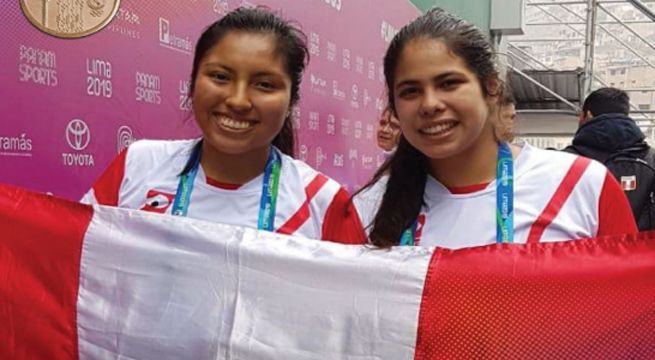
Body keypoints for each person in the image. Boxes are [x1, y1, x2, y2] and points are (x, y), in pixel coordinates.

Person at [354, 8, 637, 248]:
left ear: (491, 88)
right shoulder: (367, 207)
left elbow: (629, 305)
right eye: (410, 91)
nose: (429, 104)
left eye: (448, 83)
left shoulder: (582, 186)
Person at [82, 7, 366, 244]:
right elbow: (72, 264)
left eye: (264, 85)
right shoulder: (137, 166)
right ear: (193, 82)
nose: (238, 100)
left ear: (292, 99)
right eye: (220, 77)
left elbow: (358, 303)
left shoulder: (322, 202)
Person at [564, 87, 655, 230]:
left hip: (584, 251)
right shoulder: (651, 159)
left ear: (587, 115)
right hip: (642, 251)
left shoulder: (563, 161)